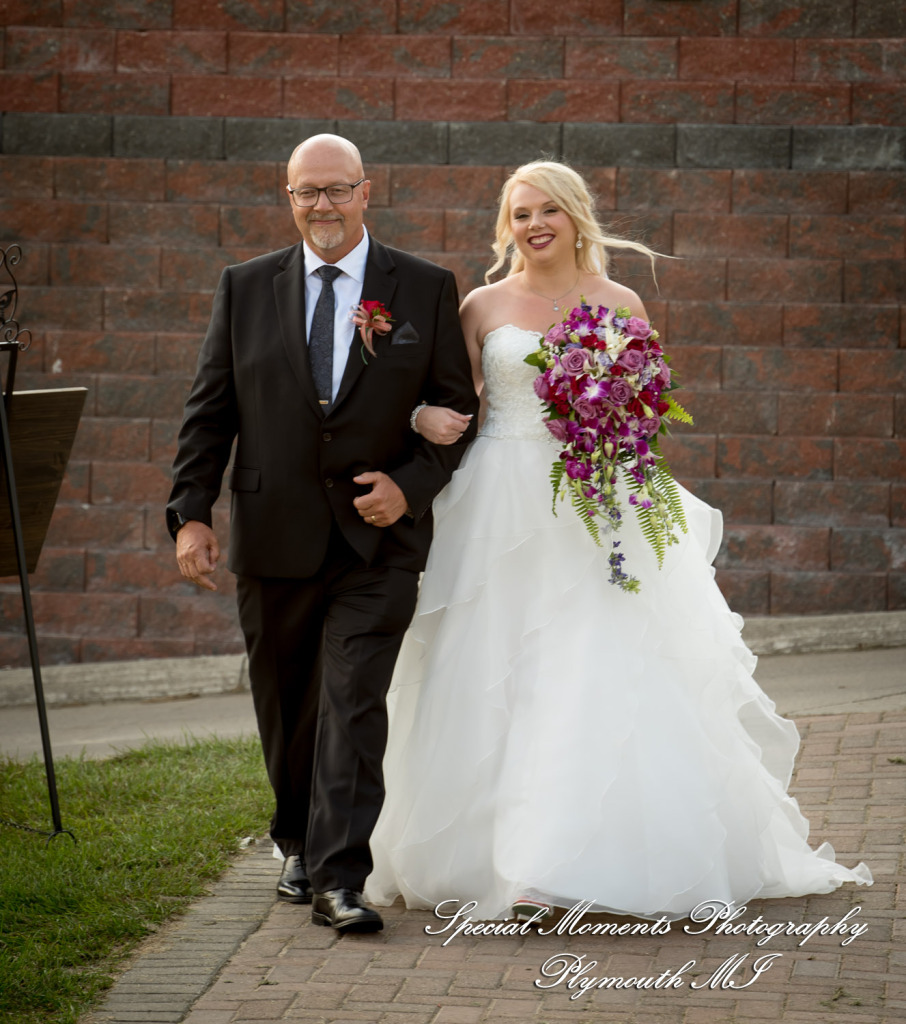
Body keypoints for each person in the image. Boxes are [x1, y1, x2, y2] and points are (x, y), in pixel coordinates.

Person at [365, 160, 871, 921]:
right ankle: (500, 858)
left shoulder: (621, 303)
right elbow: (443, 402)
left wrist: (611, 433)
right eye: (521, 213)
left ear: (576, 217)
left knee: (582, 672)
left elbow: (644, 410)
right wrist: (415, 419)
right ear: (507, 226)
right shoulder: (481, 305)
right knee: (500, 670)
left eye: (549, 210)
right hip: (499, 508)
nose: (535, 225)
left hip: (596, 505)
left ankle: (547, 870)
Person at [166, 134, 478, 934]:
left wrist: (408, 487)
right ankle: (298, 841)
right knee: (288, 706)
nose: (323, 205)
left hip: (378, 545)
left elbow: (458, 413)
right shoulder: (245, 287)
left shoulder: (425, 287)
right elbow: (210, 411)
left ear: (366, 192)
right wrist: (191, 512)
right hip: (273, 533)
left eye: (337, 189)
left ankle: (341, 878)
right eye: (307, 192)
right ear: (289, 197)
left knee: (352, 704)